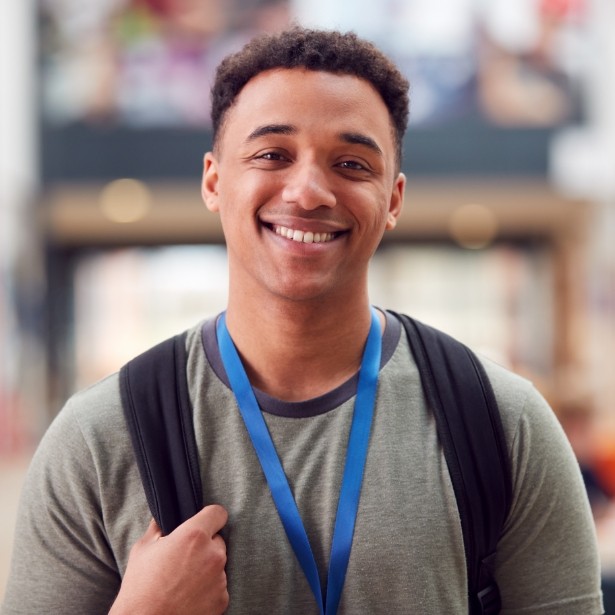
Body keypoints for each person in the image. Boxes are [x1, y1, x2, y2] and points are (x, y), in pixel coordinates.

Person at [1, 27, 604, 615]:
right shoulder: (100, 438)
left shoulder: (502, 423)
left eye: (351, 163)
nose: (310, 190)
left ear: (393, 200)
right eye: (272, 154)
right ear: (214, 180)